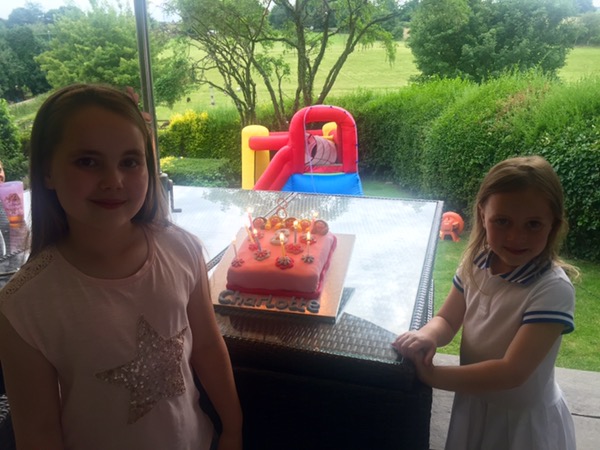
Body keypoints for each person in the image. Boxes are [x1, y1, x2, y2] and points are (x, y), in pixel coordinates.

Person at [0, 84, 243, 450]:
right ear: (48, 171)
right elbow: (38, 432)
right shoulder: (23, 305)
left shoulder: (182, 249)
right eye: (87, 161)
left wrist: (233, 428)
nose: (113, 181)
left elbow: (208, 347)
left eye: (130, 162)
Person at [393, 156, 578, 450]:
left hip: (521, 426)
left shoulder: (552, 290)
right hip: (476, 402)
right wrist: (427, 335)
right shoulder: (475, 263)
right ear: (482, 214)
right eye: (502, 221)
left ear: (552, 224)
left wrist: (433, 376)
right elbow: (447, 320)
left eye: (533, 224)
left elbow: (511, 372)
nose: (516, 236)